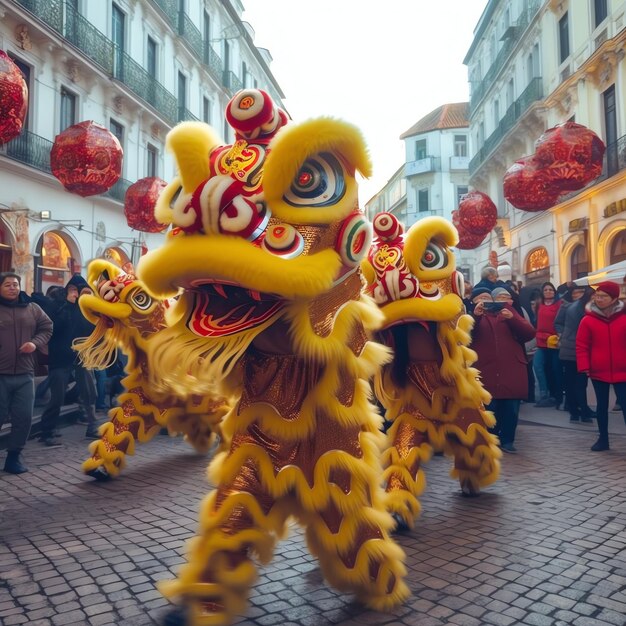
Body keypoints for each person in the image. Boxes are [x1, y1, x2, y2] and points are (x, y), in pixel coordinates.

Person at [470, 286, 536, 453]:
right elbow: (465, 335)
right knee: (489, 408)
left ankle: (508, 440)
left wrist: (512, 318)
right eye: (480, 298)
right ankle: (490, 439)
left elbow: (529, 333)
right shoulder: (474, 317)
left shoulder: (511, 314)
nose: (484, 301)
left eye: (487, 298)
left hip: (511, 370)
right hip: (485, 370)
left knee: (511, 409)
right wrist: (475, 317)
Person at [0, 272, 53, 473]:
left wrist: (35, 343)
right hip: (1, 374)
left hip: (25, 373)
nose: (13, 287)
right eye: (7, 284)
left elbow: (47, 327)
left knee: (23, 418)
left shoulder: (32, 308)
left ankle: (14, 457)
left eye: (15, 284)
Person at [38, 274, 99, 445]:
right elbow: (54, 328)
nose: (77, 294)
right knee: (57, 397)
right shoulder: (58, 307)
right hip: (60, 358)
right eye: (73, 290)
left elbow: (93, 331)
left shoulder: (88, 311)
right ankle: (47, 430)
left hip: (81, 358)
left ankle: (92, 426)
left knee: (89, 393)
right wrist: (68, 306)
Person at [576, 281, 626, 451]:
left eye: (603, 296)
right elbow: (581, 345)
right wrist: (584, 366)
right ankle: (603, 439)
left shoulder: (624, 317)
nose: (599, 299)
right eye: (597, 296)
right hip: (598, 370)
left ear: (613, 299)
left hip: (623, 370)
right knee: (601, 407)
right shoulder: (588, 320)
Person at [554, 285, 595, 423]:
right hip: (576, 349)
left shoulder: (572, 306)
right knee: (579, 382)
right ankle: (582, 411)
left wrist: (563, 335)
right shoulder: (582, 309)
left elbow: (558, 323)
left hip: (568, 348)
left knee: (571, 382)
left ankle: (575, 411)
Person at [533, 282, 563, 408]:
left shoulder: (559, 304)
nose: (548, 292)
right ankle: (544, 394)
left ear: (554, 291)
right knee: (537, 366)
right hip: (540, 341)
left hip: (554, 341)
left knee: (555, 370)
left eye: (551, 289)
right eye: (545, 289)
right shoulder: (538, 304)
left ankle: (557, 395)